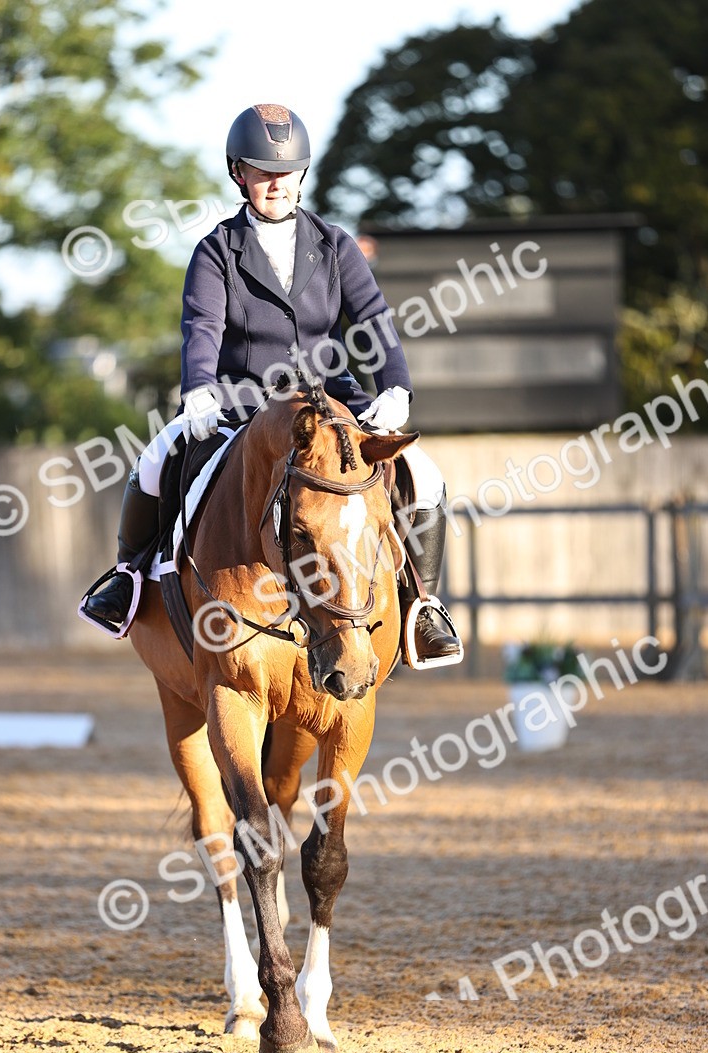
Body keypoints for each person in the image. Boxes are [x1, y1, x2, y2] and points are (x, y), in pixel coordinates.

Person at [82, 103, 462, 664]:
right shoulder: (217, 250)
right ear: (239, 173)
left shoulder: (336, 246)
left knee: (424, 475)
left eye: (285, 171)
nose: (275, 182)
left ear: (302, 175)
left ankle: (424, 605)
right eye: (262, 170)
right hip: (243, 402)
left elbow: (375, 321)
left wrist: (395, 388)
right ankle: (127, 577)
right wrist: (199, 390)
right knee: (158, 456)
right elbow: (202, 326)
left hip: (331, 400)